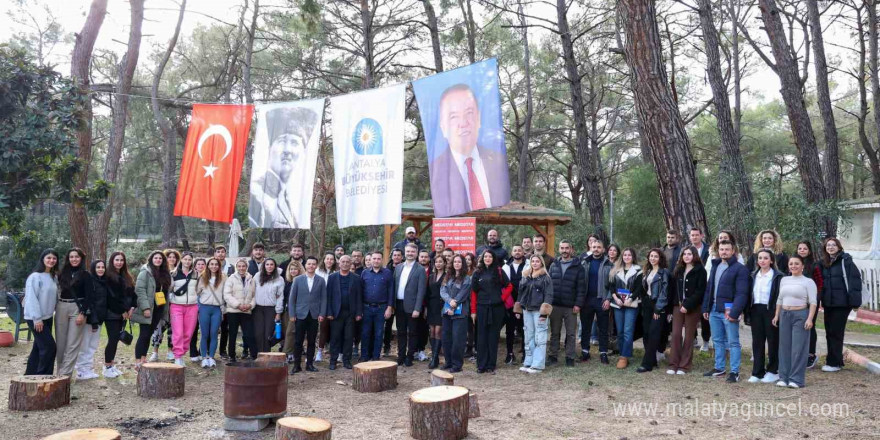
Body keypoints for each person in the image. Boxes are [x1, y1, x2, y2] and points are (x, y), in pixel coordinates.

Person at [429, 83, 510, 217]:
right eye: (453, 117)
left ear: (478, 118)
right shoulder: (436, 170)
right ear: (443, 127)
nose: (463, 123)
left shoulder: (498, 162)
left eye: (469, 113)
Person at [249, 105, 319, 228]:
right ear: (270, 148)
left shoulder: (288, 197)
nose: (287, 150)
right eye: (282, 141)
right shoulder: (257, 192)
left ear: (303, 152)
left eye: (294, 142)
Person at [702, 240, 750, 382]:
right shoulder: (715, 266)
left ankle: (734, 372)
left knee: (733, 342)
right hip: (714, 310)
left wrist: (734, 312)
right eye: (721, 249)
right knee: (717, 340)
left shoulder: (740, 269)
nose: (724, 252)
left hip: (729, 312)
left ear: (733, 250)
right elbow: (709, 288)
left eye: (727, 249)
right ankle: (719, 368)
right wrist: (706, 307)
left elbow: (742, 294)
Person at [773, 256, 818, 388]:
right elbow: (779, 299)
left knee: (798, 348)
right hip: (784, 314)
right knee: (784, 347)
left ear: (802, 266)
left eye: (796, 264)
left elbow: (813, 302)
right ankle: (783, 377)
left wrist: (810, 319)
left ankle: (796, 379)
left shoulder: (808, 282)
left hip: (800, 315)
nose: (793, 266)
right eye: (791, 264)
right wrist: (777, 315)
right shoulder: (784, 280)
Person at [820, 238, 862, 372]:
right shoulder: (825, 262)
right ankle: (832, 360)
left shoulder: (846, 261)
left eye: (833, 245)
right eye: (828, 245)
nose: (831, 247)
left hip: (842, 303)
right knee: (829, 332)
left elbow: (854, 281)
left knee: (836, 332)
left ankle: (835, 363)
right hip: (829, 303)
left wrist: (855, 302)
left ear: (839, 247)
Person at [470, 249, 512, 374]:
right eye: (485, 256)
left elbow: (509, 286)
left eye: (490, 256)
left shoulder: (499, 271)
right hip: (481, 308)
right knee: (481, 337)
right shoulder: (477, 272)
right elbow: (473, 292)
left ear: (493, 258)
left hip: (496, 308)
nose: (487, 258)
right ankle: (481, 365)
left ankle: (491, 365)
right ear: (482, 258)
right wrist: (473, 311)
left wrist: (502, 298)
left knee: (493, 336)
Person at [745, 249, 784, 384]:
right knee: (757, 342)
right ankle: (757, 372)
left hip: (771, 310)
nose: (762, 261)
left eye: (765, 258)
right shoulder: (753, 275)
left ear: (771, 260)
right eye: (760, 258)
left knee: (773, 341)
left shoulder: (778, 276)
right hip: (756, 309)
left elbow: (780, 296)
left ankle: (773, 371)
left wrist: (777, 314)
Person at [667, 246, 707, 375]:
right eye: (684, 254)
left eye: (689, 254)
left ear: (694, 255)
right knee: (676, 334)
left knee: (689, 336)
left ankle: (684, 366)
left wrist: (688, 305)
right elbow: (673, 290)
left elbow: (700, 291)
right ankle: (673, 364)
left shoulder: (700, 270)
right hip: (677, 306)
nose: (686, 256)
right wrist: (672, 308)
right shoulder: (678, 269)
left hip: (693, 307)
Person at [547, 240, 585, 367]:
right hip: (555, 305)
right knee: (555, 332)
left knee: (570, 333)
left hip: (571, 306)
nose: (564, 250)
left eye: (567, 248)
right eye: (562, 248)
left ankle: (570, 357)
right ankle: (553, 356)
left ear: (571, 249)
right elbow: (549, 285)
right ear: (559, 249)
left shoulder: (578, 266)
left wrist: (578, 304)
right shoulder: (554, 265)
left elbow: (581, 288)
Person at [515, 255, 554, 373]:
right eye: (533, 261)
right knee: (528, 336)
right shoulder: (526, 276)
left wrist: (545, 311)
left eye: (537, 261)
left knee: (540, 337)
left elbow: (549, 295)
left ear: (541, 263)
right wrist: (518, 309)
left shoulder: (545, 278)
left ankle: (538, 365)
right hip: (527, 310)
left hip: (539, 311)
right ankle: (528, 362)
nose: (535, 263)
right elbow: (520, 293)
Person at [133, 251, 172, 370]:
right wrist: (145, 308)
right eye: (156, 258)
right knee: (143, 335)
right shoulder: (145, 272)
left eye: (160, 258)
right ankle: (138, 361)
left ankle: (144, 358)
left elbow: (165, 292)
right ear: (151, 259)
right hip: (148, 308)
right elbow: (140, 290)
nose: (158, 260)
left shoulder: (165, 273)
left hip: (158, 309)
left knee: (149, 335)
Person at [55, 247, 91, 377]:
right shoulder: (61, 273)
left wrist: (83, 313)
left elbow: (89, 296)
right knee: (60, 343)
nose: (74, 259)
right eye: (71, 257)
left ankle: (65, 375)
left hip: (78, 308)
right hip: (61, 307)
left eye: (77, 257)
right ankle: (59, 371)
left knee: (72, 344)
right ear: (68, 258)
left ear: (81, 258)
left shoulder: (85, 275)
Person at [289, 256, 327, 373]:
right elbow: (292, 299)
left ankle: (309, 364)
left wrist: (322, 313)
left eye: (313, 264)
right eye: (309, 264)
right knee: (298, 341)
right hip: (300, 314)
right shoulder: (298, 280)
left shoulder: (321, 280)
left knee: (311, 340)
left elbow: (324, 298)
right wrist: (292, 313)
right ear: (305, 265)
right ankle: (296, 365)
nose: (311, 266)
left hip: (314, 314)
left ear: (316, 266)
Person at [24, 249, 59, 376]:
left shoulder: (53, 277)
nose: (51, 260)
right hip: (36, 318)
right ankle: (43, 376)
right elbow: (31, 298)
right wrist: (37, 319)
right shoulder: (35, 277)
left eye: (54, 258)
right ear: (43, 259)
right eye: (48, 258)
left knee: (38, 347)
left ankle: (30, 375)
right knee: (50, 347)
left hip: (48, 317)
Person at [393, 243, 428, 367]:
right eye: (408, 251)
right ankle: (401, 356)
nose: (410, 253)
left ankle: (409, 356)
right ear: (404, 252)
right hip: (399, 304)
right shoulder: (398, 267)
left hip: (412, 307)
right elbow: (394, 287)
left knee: (412, 332)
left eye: (413, 252)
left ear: (416, 253)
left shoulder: (420, 269)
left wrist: (417, 308)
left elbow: (421, 291)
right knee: (401, 332)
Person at [326, 255, 363, 370]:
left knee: (348, 337)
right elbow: (329, 296)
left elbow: (359, 297)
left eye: (348, 262)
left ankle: (347, 360)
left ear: (351, 263)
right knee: (335, 337)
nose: (345, 264)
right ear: (339, 263)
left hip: (350, 313)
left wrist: (358, 313)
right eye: (343, 261)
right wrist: (329, 312)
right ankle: (333, 361)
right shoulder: (332, 277)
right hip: (336, 313)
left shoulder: (356, 278)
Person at [636, 249, 670, 373]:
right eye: (651, 256)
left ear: (660, 258)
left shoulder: (664, 272)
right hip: (647, 305)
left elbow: (664, 293)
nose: (653, 258)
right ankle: (653, 361)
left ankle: (647, 364)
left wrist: (658, 308)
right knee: (645, 333)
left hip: (658, 306)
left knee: (653, 334)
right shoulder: (647, 271)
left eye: (656, 256)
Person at [580, 239, 614, 364]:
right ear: (590, 247)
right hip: (587, 300)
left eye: (599, 247)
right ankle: (585, 352)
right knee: (586, 327)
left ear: (603, 249)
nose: (596, 249)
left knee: (603, 328)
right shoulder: (584, 263)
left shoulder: (609, 264)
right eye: (594, 247)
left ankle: (603, 353)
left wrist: (608, 299)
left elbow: (613, 285)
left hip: (602, 300)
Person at [103, 252, 135, 378]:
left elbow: (133, 294)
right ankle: (106, 366)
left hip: (125, 314)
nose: (119, 262)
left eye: (122, 260)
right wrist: (122, 310)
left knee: (116, 340)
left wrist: (132, 307)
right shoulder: (108, 277)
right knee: (112, 339)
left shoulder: (126, 276)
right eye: (117, 260)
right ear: (112, 261)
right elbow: (111, 297)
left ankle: (111, 364)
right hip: (112, 314)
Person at [76, 260, 109, 380]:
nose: (101, 269)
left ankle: (88, 368)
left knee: (92, 345)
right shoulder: (90, 281)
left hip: (99, 318)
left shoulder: (104, 282)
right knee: (84, 345)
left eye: (103, 267)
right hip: (90, 319)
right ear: (93, 268)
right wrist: (93, 319)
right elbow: (89, 301)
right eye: (98, 267)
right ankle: (80, 370)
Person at [608, 248, 641, 369]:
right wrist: (615, 298)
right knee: (620, 331)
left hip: (631, 304)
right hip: (618, 304)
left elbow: (638, 288)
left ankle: (624, 357)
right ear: (622, 256)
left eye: (629, 255)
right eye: (625, 255)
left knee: (628, 331)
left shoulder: (638, 270)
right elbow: (611, 286)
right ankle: (623, 353)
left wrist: (630, 299)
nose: (627, 257)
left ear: (633, 257)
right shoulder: (615, 270)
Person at [359, 252, 395, 361]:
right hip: (366, 307)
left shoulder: (388, 273)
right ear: (370, 260)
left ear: (382, 260)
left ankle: (375, 356)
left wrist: (389, 307)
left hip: (381, 308)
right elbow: (360, 292)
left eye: (378, 259)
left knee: (379, 333)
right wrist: (360, 309)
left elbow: (391, 291)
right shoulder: (364, 273)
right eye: (374, 258)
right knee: (365, 333)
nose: (376, 260)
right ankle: (364, 356)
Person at [440, 255, 472, 372]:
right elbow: (442, 291)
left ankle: (457, 365)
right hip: (447, 312)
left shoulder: (467, 278)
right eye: (455, 262)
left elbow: (463, 294)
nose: (457, 264)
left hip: (460, 313)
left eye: (459, 262)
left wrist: (455, 302)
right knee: (446, 339)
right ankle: (448, 362)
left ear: (462, 264)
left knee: (458, 339)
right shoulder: (448, 276)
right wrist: (449, 301)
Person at [148, 249, 180, 363]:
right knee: (158, 328)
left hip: (175, 304)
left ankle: (170, 351)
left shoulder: (178, 272)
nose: (172, 259)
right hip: (160, 303)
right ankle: (155, 352)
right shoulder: (160, 271)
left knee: (172, 328)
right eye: (169, 257)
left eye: (174, 257)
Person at [796, 240, 824, 369]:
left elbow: (819, 284)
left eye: (805, 248)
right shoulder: (793, 264)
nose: (802, 250)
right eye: (800, 248)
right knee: (797, 327)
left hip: (810, 302)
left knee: (809, 327)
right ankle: (799, 354)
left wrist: (814, 300)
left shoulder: (814, 265)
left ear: (809, 251)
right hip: (795, 302)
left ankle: (811, 354)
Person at [168, 252, 198, 366]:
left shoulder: (196, 274)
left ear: (192, 261)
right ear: (181, 260)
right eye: (185, 259)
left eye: (189, 259)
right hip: (177, 306)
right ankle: (178, 356)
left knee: (188, 333)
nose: (187, 261)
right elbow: (169, 290)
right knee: (178, 332)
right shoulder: (174, 273)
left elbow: (199, 289)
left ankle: (182, 352)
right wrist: (171, 300)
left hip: (192, 306)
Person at [196, 258, 226, 368]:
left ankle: (212, 357)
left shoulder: (223, 277)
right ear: (208, 265)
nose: (214, 266)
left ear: (219, 266)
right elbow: (197, 292)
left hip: (217, 309)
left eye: (216, 264)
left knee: (214, 333)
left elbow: (225, 293)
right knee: (204, 334)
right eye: (211, 264)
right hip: (204, 307)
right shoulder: (202, 277)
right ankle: (204, 357)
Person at [251, 258, 285, 355]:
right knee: (258, 333)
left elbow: (280, 297)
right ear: (264, 266)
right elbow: (252, 291)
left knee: (268, 334)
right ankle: (258, 354)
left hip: (271, 309)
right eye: (267, 264)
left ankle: (266, 355)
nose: (269, 266)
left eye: (271, 265)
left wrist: (278, 312)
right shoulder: (257, 276)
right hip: (258, 308)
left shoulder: (279, 279)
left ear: (274, 266)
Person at [224, 260, 255, 362]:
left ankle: (253, 355)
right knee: (232, 333)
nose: (241, 268)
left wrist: (250, 305)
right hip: (233, 311)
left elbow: (254, 295)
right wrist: (238, 305)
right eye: (239, 266)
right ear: (236, 267)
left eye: (243, 266)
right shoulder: (231, 279)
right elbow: (227, 295)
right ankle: (232, 356)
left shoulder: (251, 279)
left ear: (247, 267)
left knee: (249, 334)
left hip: (246, 310)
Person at [502, 245, 527, 364]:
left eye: (519, 250)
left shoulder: (528, 265)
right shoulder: (506, 267)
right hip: (510, 303)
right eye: (515, 250)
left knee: (524, 330)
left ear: (523, 252)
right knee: (510, 330)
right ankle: (510, 353)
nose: (517, 252)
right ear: (511, 253)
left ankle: (526, 354)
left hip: (524, 303)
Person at [315, 253, 337, 362]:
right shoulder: (318, 271)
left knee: (334, 329)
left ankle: (335, 352)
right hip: (321, 303)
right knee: (323, 328)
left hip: (334, 303)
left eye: (331, 259)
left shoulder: (337, 271)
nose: (329, 261)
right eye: (327, 258)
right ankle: (319, 351)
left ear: (334, 261)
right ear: (324, 260)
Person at [426, 255, 447, 368]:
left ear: (444, 263)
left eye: (440, 262)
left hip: (442, 305)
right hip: (431, 306)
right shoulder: (431, 276)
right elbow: (427, 293)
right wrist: (425, 308)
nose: (438, 264)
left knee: (438, 331)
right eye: (436, 262)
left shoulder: (447, 276)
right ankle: (435, 357)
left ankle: (434, 358)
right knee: (432, 331)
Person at [281, 260, 304, 363]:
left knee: (291, 333)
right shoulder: (287, 282)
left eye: (295, 269)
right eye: (291, 269)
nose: (293, 271)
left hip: (296, 311)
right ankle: (292, 354)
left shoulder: (302, 282)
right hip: (286, 310)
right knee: (286, 333)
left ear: (299, 270)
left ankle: (287, 354)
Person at [213, 246, 234, 360]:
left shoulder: (231, 268)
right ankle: (209, 350)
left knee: (225, 328)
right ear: (215, 254)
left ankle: (222, 350)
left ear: (225, 253)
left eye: (222, 252)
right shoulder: (211, 266)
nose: (220, 254)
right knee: (213, 328)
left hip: (226, 302)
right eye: (218, 252)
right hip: (213, 301)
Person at [383, 248, 403, 356]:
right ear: (392, 256)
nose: (396, 257)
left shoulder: (405, 268)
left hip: (400, 301)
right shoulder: (386, 269)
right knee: (388, 325)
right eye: (395, 255)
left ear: (402, 257)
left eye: (399, 255)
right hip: (389, 301)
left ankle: (400, 348)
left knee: (401, 326)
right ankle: (386, 347)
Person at [189, 258, 207, 361]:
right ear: (195, 266)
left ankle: (202, 351)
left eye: (202, 264)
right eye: (198, 264)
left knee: (204, 330)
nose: (200, 266)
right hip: (193, 304)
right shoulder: (192, 276)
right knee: (193, 329)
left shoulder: (208, 276)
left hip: (205, 305)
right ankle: (193, 352)